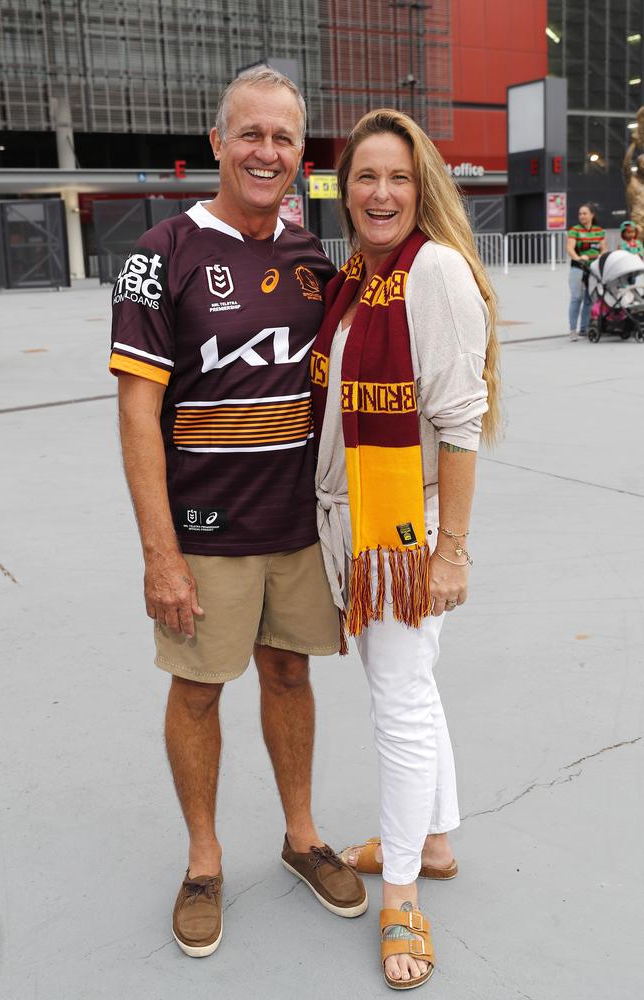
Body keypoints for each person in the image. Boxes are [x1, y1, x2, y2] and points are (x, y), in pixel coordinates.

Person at [109, 66, 367, 960]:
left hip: (297, 529)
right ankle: (205, 861)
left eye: (283, 138)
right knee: (197, 688)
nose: (266, 152)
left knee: (291, 678)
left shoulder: (313, 260)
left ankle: (300, 838)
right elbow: (138, 410)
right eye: (249, 134)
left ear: (303, 156)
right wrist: (160, 554)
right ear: (218, 143)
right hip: (205, 534)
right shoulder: (160, 251)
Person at [311, 109, 500, 990]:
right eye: (364, 178)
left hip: (404, 526)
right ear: (343, 190)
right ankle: (431, 839)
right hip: (363, 517)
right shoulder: (358, 278)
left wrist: (450, 551)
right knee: (413, 688)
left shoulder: (436, 274)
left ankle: (399, 896)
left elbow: (461, 426)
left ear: (421, 186)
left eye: (397, 178)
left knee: (399, 705)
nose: (380, 194)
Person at [566, 204, 606, 340]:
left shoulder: (599, 231)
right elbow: (570, 248)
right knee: (576, 298)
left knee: (589, 299)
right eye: (580, 214)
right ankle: (573, 330)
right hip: (578, 267)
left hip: (593, 269)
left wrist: (602, 256)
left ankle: (584, 328)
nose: (582, 216)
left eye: (584, 213)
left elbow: (603, 249)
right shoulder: (575, 230)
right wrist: (578, 258)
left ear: (592, 215)